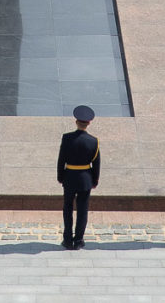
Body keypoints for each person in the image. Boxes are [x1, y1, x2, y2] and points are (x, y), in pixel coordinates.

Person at [57, 104, 100, 248]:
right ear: (88, 123)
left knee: (67, 209)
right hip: (85, 179)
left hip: (69, 177)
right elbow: (96, 164)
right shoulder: (94, 141)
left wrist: (60, 176)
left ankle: (67, 239)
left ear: (76, 122)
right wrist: (95, 180)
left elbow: (61, 159)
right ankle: (79, 240)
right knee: (82, 210)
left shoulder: (67, 138)